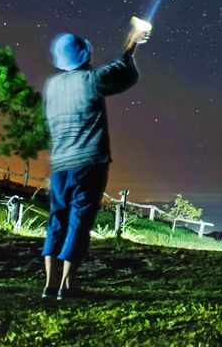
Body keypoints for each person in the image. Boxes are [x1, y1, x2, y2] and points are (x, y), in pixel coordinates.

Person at [41, 18, 151, 299]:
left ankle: (49, 284)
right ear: (82, 56)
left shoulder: (52, 87)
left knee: (57, 221)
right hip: (88, 164)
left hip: (60, 166)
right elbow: (122, 72)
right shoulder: (90, 81)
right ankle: (67, 285)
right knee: (79, 222)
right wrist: (132, 41)